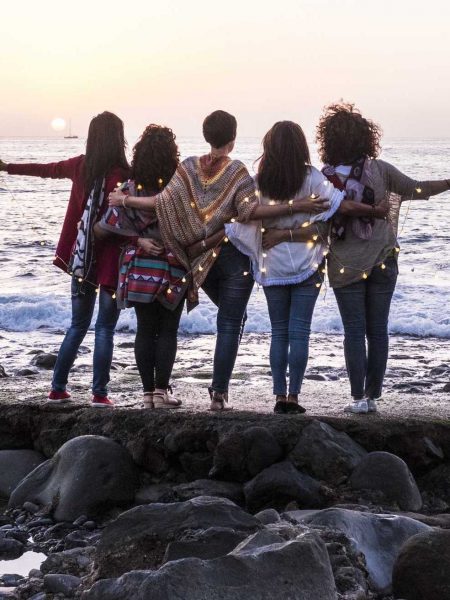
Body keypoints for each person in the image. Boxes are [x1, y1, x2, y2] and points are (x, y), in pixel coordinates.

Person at [108, 110, 328, 410]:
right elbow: (250, 212)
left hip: (200, 260)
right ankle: (219, 395)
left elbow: (161, 202)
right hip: (233, 259)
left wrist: (125, 200)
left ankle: (161, 393)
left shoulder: (187, 168)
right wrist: (296, 206)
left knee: (222, 321)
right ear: (233, 139)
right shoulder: (237, 171)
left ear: (206, 135)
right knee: (230, 322)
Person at [226, 120, 386, 414]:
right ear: (301, 146)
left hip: (272, 263)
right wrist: (375, 211)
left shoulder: (259, 181)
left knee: (279, 332)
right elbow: (342, 207)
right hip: (308, 262)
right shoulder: (311, 177)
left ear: (269, 147)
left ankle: (279, 397)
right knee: (300, 332)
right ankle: (294, 398)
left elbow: (243, 216)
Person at [315, 102, 450, 414]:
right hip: (384, 260)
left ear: (329, 140)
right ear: (366, 138)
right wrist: (447, 183)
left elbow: (317, 224)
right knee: (378, 329)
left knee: (354, 331)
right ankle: (372, 396)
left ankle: (358, 398)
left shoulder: (324, 180)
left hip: (345, 265)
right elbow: (417, 189)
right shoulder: (380, 170)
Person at [0, 111, 130, 406]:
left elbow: (46, 169)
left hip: (82, 260)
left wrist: (8, 167)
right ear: (119, 138)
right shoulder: (124, 174)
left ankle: (57, 388)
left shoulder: (80, 166)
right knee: (105, 328)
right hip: (111, 263)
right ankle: (99, 394)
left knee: (77, 325)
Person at [96, 125, 186, 409]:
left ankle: (147, 394)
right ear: (172, 156)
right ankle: (161, 393)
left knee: (145, 329)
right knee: (169, 329)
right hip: (173, 268)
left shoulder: (128, 190)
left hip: (139, 271)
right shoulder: (177, 190)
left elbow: (103, 229)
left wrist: (136, 239)